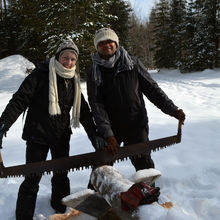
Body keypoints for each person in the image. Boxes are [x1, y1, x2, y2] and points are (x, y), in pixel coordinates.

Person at [0, 39, 105, 220]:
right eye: (65, 57)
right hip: (37, 135)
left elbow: (85, 113)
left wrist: (95, 135)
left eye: (73, 59)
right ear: (58, 56)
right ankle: (23, 216)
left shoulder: (73, 80)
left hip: (61, 135)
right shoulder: (41, 74)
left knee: (61, 175)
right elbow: (19, 100)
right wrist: (3, 125)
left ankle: (60, 209)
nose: (69, 62)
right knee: (32, 179)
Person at [87, 27, 185, 173]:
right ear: (97, 47)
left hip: (136, 124)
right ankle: (97, 194)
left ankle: (148, 195)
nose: (106, 45)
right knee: (102, 169)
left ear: (116, 43)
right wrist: (108, 134)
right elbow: (97, 105)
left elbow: (153, 90)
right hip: (110, 128)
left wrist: (172, 110)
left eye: (110, 41)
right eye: (101, 43)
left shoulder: (133, 63)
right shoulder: (94, 72)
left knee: (144, 168)